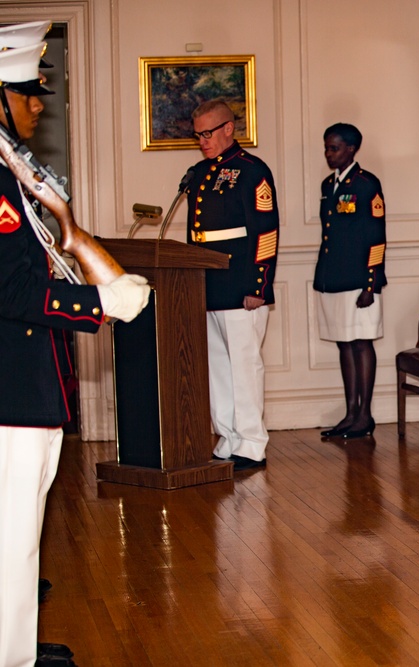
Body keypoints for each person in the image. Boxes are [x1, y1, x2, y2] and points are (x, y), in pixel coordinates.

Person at [0, 24, 150, 667]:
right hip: (12, 391)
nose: (39, 103)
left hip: (25, 385)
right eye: (26, 91)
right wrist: (100, 304)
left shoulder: (12, 177)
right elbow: (11, 292)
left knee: (23, 537)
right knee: (12, 541)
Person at [186, 99, 279, 471]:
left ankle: (252, 443)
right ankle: (228, 437)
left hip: (242, 287)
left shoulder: (251, 170)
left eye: (207, 133)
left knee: (244, 367)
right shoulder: (200, 172)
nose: (202, 141)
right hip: (208, 286)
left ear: (228, 128)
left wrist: (259, 284)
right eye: (197, 135)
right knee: (219, 369)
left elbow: (265, 231)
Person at [314, 123, 386, 440]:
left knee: (361, 343)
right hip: (333, 276)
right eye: (327, 148)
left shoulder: (367, 184)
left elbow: (376, 237)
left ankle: (365, 414)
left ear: (352, 149)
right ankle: (350, 413)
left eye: (335, 148)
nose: (329, 154)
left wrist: (370, 284)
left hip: (359, 281)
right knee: (344, 343)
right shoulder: (328, 184)